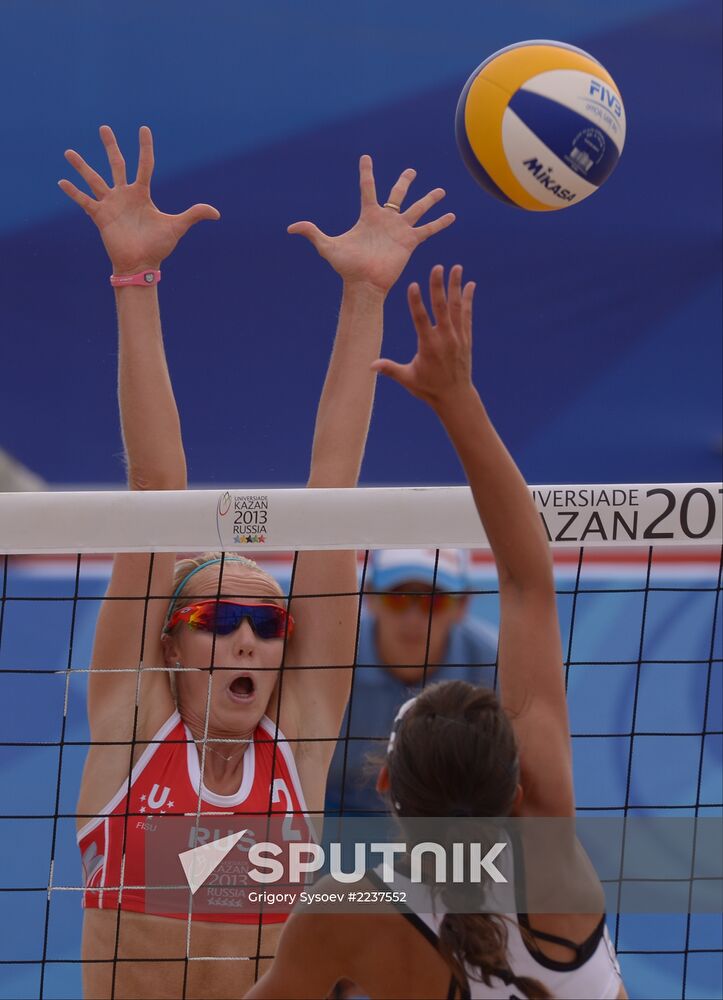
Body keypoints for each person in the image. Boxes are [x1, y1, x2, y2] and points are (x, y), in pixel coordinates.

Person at [59, 124, 455, 999]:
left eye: (267, 623)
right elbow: (159, 487)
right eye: (216, 619)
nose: (247, 640)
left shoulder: (299, 742)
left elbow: (333, 488)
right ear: (167, 646)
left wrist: (365, 295)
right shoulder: (135, 726)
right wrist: (134, 278)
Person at [245, 264, 628, 999]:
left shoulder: (345, 911)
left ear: (386, 782)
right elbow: (526, 580)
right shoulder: (556, 877)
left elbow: (521, 586)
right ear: (516, 789)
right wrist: (457, 399)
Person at [326, 546, 498, 814]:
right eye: (399, 598)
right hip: (332, 810)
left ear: (462, 604)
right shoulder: (332, 655)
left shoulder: (493, 665)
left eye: (434, 601)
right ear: (370, 596)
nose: (414, 618)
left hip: (441, 820)